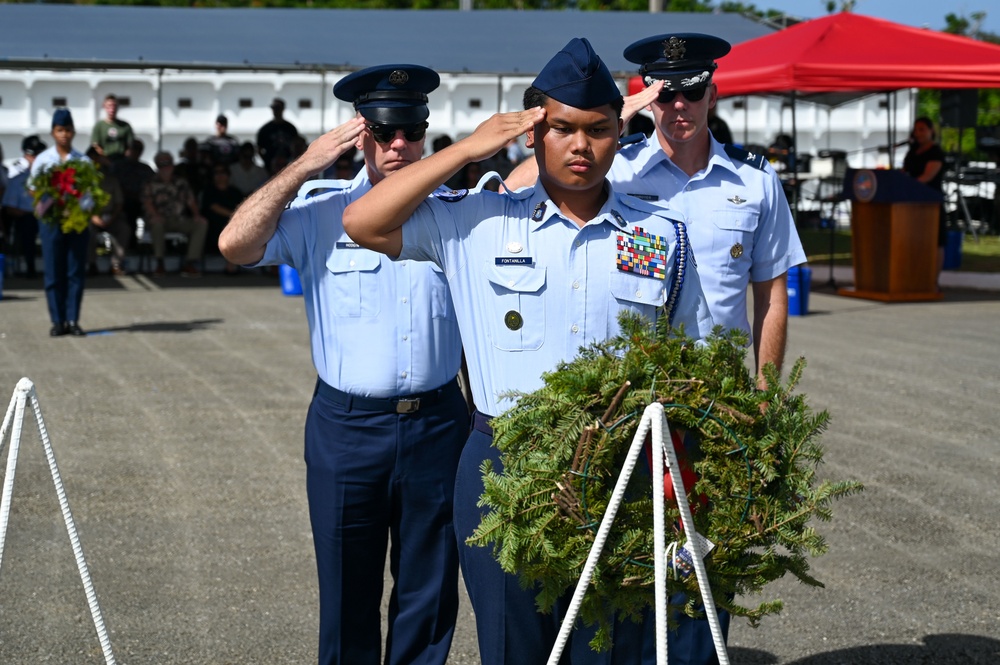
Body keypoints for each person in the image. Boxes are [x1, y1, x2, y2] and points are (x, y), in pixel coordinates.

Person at [343, 38, 714, 665]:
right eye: (562, 128)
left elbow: (694, 360)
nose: (580, 146)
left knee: (611, 643)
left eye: (598, 129)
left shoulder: (660, 235)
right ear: (532, 135)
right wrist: (465, 149)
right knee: (516, 646)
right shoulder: (475, 222)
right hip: (504, 463)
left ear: (618, 135)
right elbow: (364, 222)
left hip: (619, 470)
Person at [219, 64, 469, 665]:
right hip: (348, 427)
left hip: (438, 424)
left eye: (410, 131)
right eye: (384, 134)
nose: (398, 146)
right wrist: (304, 165)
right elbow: (236, 245)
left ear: (425, 131)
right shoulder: (321, 210)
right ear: (363, 137)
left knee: (429, 594)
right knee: (346, 592)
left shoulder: (460, 214)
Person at [30, 109, 91, 336]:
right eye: (59, 130)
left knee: (75, 271)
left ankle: (73, 319)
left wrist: (78, 207)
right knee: (53, 271)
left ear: (73, 132)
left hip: (76, 222)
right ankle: (57, 320)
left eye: (67, 130)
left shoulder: (83, 161)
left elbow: (89, 196)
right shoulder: (43, 161)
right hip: (51, 221)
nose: (64, 134)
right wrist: (50, 201)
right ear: (53, 133)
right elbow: (33, 191)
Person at [142, 151, 208, 277]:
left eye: (168, 163)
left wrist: (196, 215)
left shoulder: (181, 182)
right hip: (160, 219)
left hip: (179, 219)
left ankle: (190, 263)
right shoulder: (151, 182)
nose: (166, 166)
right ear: (157, 165)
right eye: (162, 163)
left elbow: (191, 201)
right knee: (157, 225)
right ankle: (159, 263)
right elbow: (147, 202)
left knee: (201, 224)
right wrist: (155, 215)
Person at [902, 116, 946, 287]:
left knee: (935, 242)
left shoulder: (936, 152)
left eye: (922, 129)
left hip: (931, 202)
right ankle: (914, 277)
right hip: (910, 202)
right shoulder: (912, 151)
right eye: (916, 129)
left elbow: (927, 177)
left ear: (931, 131)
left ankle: (932, 281)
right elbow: (904, 171)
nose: (918, 133)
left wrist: (910, 184)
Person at [2, 135, 46, 278]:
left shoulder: (48, 177)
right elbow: (9, 208)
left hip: (46, 215)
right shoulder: (17, 177)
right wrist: (31, 213)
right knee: (28, 225)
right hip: (26, 216)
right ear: (26, 155)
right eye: (33, 155)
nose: (36, 158)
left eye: (38, 154)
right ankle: (30, 268)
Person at [85, 147, 130, 276]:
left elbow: (119, 202)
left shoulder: (111, 179)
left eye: (97, 159)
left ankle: (116, 263)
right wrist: (93, 216)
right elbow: (80, 202)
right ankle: (91, 264)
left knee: (124, 229)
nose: (95, 162)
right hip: (91, 216)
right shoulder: (84, 180)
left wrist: (112, 217)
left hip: (111, 216)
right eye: (92, 159)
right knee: (88, 230)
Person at [200, 163, 244, 274]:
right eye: (216, 173)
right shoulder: (209, 191)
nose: (220, 175)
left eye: (223, 172)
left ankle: (231, 265)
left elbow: (244, 209)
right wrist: (234, 217)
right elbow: (214, 207)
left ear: (228, 175)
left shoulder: (236, 192)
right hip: (213, 228)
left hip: (233, 226)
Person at [256, 97, 300, 175]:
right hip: (270, 168)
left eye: (278, 108)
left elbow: (297, 146)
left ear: (283, 109)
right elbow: (259, 149)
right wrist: (267, 162)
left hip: (289, 165)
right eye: (274, 108)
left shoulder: (290, 128)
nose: (276, 111)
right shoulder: (265, 129)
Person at [90, 93, 134, 162]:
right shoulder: (99, 126)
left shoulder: (125, 126)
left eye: (114, 106)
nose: (112, 109)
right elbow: (95, 145)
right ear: (104, 106)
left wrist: (125, 158)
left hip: (122, 161)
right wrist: (105, 159)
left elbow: (131, 145)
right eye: (109, 106)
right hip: (104, 161)